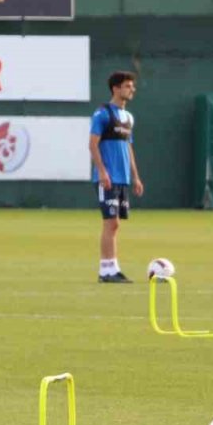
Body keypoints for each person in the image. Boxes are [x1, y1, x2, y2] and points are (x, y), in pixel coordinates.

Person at [88, 71, 144, 283]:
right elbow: (93, 144)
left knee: (116, 224)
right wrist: (102, 171)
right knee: (110, 222)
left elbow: (128, 147)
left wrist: (136, 177)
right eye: (128, 86)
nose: (132, 90)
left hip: (123, 178)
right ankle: (106, 270)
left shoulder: (128, 117)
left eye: (132, 86)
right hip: (108, 177)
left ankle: (112, 267)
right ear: (116, 88)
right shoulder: (102, 114)